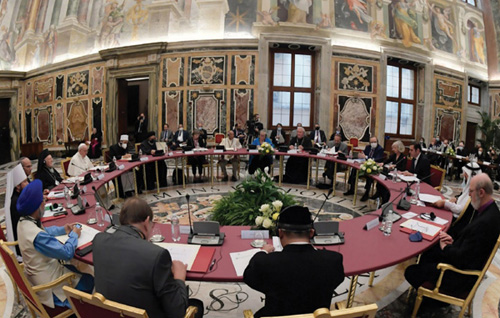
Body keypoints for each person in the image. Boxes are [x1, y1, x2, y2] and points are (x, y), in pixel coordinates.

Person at [92, 197, 203, 318]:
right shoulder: (157, 255)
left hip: (109, 313)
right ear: (146, 221)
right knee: (197, 306)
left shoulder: (98, 240)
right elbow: (178, 311)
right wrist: (179, 279)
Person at [405, 173, 500, 297]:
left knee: (411, 271)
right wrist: (452, 241)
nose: (469, 195)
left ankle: (433, 301)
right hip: (462, 257)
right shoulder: (489, 210)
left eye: (471, 191)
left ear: (481, 192)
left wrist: (446, 247)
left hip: (460, 276)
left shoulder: (486, 222)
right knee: (429, 251)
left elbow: (463, 259)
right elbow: (471, 245)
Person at [243, 206, 344, 317]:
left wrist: (263, 252)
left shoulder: (265, 263)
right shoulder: (333, 260)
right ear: (311, 233)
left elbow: (249, 278)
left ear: (280, 233)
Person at [16, 180, 94, 308]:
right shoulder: (38, 236)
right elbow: (67, 253)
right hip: (51, 287)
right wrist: (74, 234)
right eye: (43, 201)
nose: (45, 202)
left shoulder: (24, 221)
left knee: (77, 268)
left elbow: (44, 230)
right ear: (37, 206)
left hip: (38, 275)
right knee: (91, 279)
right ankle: (84, 310)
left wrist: (64, 229)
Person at [344, 136, 384, 201]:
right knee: (354, 169)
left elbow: (377, 159)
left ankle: (366, 193)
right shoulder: (368, 147)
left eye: (374, 142)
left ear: (377, 142)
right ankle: (352, 188)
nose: (373, 143)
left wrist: (365, 156)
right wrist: (360, 156)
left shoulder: (380, 149)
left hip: (373, 168)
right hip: (364, 165)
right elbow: (363, 155)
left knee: (369, 174)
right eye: (371, 142)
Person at [6, 164, 28, 257]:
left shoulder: (19, 196)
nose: (28, 184)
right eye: (25, 182)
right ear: (18, 186)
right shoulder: (16, 202)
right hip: (23, 245)